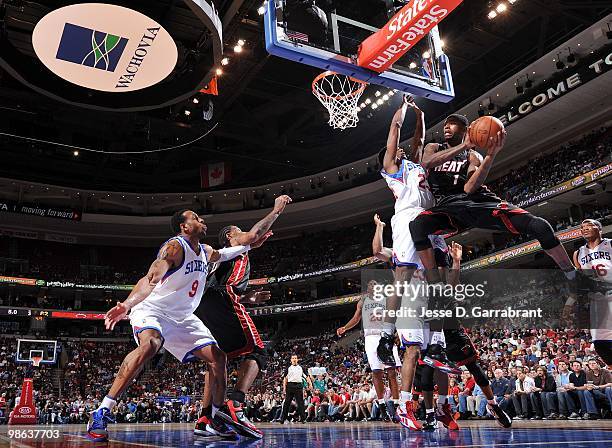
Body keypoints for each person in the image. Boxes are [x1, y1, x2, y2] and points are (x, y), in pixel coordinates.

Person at [88, 210, 256, 441]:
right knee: (151, 344)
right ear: (183, 227)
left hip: (183, 316)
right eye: (196, 218)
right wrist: (126, 305)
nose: (202, 220)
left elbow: (225, 253)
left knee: (218, 358)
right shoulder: (175, 248)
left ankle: (214, 419)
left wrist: (250, 244)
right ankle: (102, 410)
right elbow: (150, 280)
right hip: (153, 310)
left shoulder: (205, 251)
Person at [409, 114, 578, 284]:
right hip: (449, 207)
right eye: (446, 124)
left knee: (541, 226)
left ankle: (572, 274)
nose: (446, 127)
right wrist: (463, 146)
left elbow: (469, 188)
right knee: (417, 225)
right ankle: (435, 283)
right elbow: (426, 163)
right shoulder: (434, 147)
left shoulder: (473, 156)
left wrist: (490, 155)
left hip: (478, 201)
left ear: (466, 130)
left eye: (453, 124)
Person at [195, 195, 292, 439]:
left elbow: (223, 282)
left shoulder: (228, 256)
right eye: (238, 231)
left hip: (207, 303)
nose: (243, 233)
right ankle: (235, 404)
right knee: (257, 351)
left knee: (216, 362)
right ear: (229, 235)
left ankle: (206, 419)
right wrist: (276, 211)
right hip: (222, 298)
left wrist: (249, 299)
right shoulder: (234, 241)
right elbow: (252, 235)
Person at [336, 220, 402, 422]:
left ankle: (397, 406)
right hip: (370, 338)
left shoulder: (386, 297)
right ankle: (382, 405)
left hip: (385, 335)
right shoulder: (362, 301)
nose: (372, 286)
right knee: (376, 371)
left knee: (392, 371)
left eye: (375, 284)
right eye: (370, 284)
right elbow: (356, 319)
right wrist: (345, 328)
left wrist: (397, 332)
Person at [572, 219, 612, 367]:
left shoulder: (610, 244)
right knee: (600, 344)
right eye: (582, 227)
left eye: (589, 225)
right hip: (597, 300)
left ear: (599, 229)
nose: (585, 228)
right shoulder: (578, 253)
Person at [279, 355, 312, 423]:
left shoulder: (301, 367)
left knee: (300, 403)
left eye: (295, 358)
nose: (294, 359)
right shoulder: (288, 368)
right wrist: (284, 388)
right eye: (293, 358)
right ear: (291, 360)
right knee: (287, 403)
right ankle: (282, 418)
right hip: (290, 386)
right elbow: (285, 378)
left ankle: (303, 419)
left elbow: (307, 377)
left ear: (297, 359)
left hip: (298, 385)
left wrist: (310, 384)